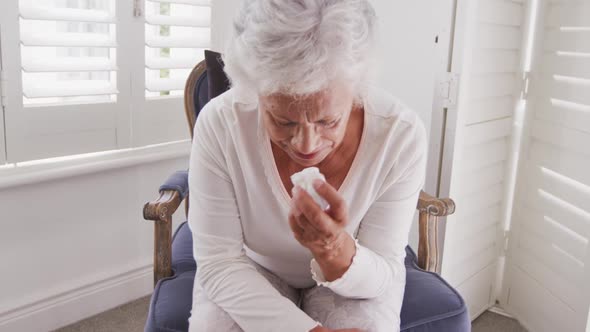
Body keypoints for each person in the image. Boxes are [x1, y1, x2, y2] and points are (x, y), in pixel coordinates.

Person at [187, 0, 427, 331]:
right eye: (282, 121)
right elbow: (220, 263)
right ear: (255, 90)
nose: (306, 145)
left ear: (356, 90)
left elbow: (383, 276)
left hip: (355, 278)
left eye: (328, 120)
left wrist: (335, 250)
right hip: (249, 267)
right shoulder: (220, 123)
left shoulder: (400, 135)